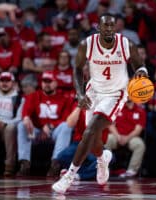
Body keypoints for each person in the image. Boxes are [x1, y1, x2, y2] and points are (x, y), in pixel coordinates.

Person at [52, 13, 147, 193]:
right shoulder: (86, 45)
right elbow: (78, 70)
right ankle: (103, 158)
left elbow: (139, 65)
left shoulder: (126, 44)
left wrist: (141, 73)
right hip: (93, 91)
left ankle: (69, 176)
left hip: (115, 94)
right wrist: (80, 94)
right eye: (106, 26)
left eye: (112, 26)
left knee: (90, 130)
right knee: (94, 139)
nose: (110, 29)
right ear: (98, 28)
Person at [17, 71, 75, 176]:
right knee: (22, 125)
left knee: (66, 126)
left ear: (56, 83)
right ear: (41, 83)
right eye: (44, 81)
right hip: (36, 130)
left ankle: (56, 163)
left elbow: (66, 118)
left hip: (54, 131)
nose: (47, 84)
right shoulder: (33, 96)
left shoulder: (64, 98)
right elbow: (26, 111)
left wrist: (50, 125)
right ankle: (24, 163)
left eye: (50, 81)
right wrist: (26, 118)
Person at [105, 100, 146, 178]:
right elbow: (110, 125)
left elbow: (138, 130)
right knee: (107, 139)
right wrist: (118, 136)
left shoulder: (140, 110)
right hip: (117, 135)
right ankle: (105, 168)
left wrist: (127, 138)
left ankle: (131, 171)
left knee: (140, 144)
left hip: (131, 137)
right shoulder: (118, 107)